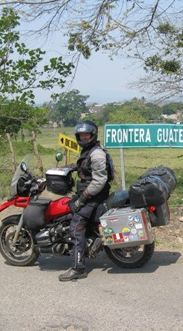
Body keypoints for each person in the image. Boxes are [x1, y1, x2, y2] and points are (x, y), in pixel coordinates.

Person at [59, 120, 111, 282]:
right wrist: (70, 167)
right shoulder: (90, 151)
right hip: (90, 193)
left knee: (75, 228)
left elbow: (98, 181)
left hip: (93, 195)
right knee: (68, 208)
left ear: (93, 134)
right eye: (81, 135)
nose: (83, 137)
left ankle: (78, 268)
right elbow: (86, 166)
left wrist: (82, 199)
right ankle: (89, 243)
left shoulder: (97, 154)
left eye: (86, 134)